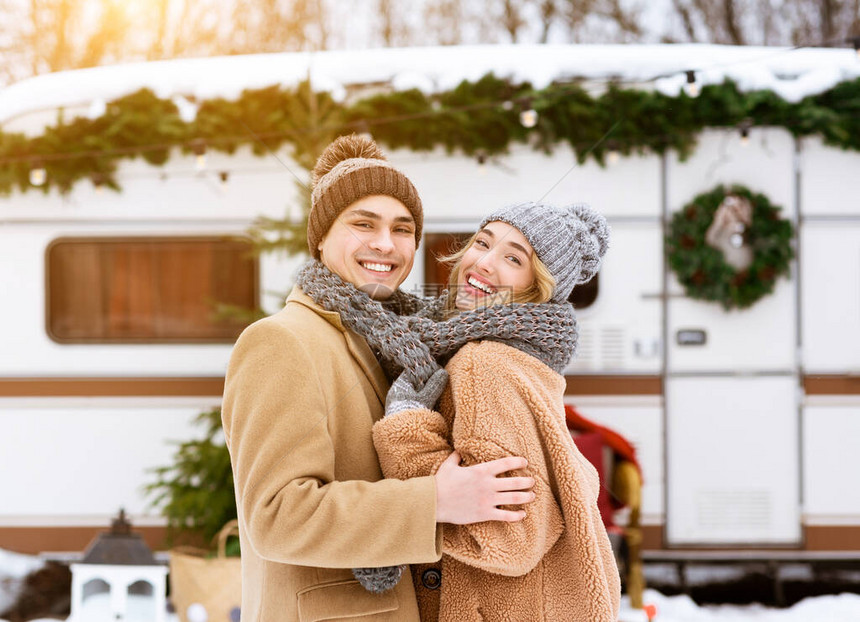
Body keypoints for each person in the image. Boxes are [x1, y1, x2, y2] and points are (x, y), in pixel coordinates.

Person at [220, 135, 536, 622]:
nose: (385, 244)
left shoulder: (399, 340)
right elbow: (277, 517)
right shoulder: (281, 341)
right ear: (321, 237)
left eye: (402, 229)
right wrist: (435, 500)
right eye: (362, 224)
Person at [370, 201, 622, 621]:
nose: (484, 263)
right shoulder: (524, 358)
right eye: (482, 243)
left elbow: (510, 537)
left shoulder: (481, 364)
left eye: (512, 258)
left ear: (537, 286)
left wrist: (405, 424)